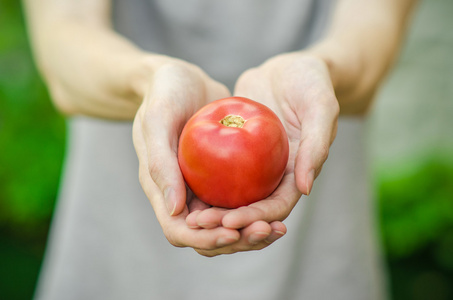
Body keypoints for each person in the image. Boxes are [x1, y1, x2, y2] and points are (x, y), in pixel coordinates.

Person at [23, 0, 417, 299]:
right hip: (116, 247)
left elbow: (372, 39)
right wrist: (149, 79)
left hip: (318, 246)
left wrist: (322, 69)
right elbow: (64, 46)